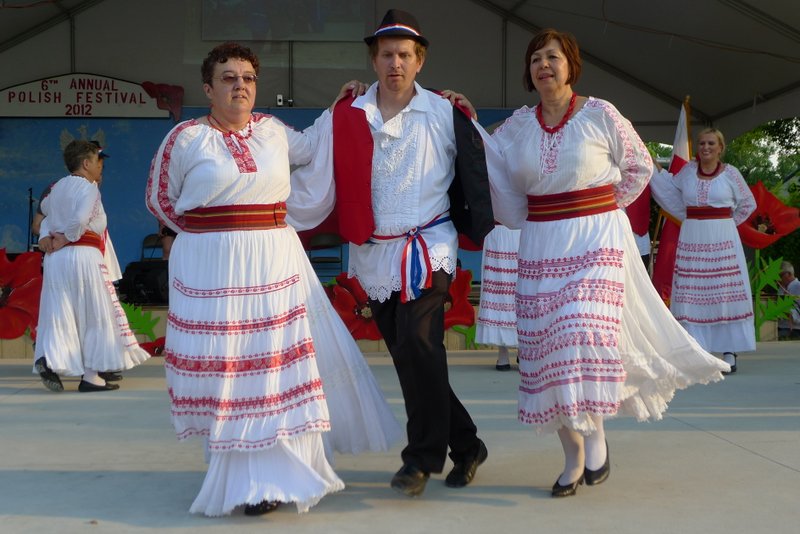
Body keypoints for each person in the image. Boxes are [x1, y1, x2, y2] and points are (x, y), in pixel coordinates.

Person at [458, 28, 729, 497]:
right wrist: (467, 118)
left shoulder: (601, 113)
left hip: (596, 240)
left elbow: (640, 167)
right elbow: (492, 163)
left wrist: (604, 210)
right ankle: (573, 455)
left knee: (582, 334)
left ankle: (596, 434)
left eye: (553, 57)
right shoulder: (518, 125)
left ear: (571, 66)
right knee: (546, 350)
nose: (544, 65)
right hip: (540, 242)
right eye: (536, 58)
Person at [145, 42, 402, 517]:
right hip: (211, 271)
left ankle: (276, 476)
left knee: (274, 367)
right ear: (208, 89)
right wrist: (208, 240)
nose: (240, 85)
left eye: (248, 78)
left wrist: (342, 104)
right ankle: (239, 471)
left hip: (273, 263)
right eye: (228, 77)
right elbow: (160, 199)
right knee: (227, 367)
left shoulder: (272, 130)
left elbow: (318, 143)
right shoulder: (185, 137)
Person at [287, 9, 493, 498]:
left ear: (420, 61)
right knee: (408, 357)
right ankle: (467, 446)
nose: (395, 63)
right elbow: (304, 151)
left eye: (404, 55)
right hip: (375, 255)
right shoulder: (350, 113)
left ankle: (420, 459)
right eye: (386, 55)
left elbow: (491, 161)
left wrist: (474, 119)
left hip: (428, 248)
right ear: (373, 60)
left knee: (421, 345)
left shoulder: (444, 112)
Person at [33, 140, 149, 392]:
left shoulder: (57, 188)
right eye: (98, 162)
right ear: (86, 164)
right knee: (93, 313)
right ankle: (91, 376)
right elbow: (79, 220)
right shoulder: (88, 189)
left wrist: (46, 237)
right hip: (82, 255)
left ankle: (51, 358)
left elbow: (46, 214)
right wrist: (66, 237)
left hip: (57, 259)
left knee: (61, 311)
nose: (100, 168)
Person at [651, 128, 757, 373]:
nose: (705, 147)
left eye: (711, 143)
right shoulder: (688, 171)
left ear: (720, 148)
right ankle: (697, 349)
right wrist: (654, 168)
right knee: (692, 290)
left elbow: (748, 203)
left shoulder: (731, 173)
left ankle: (729, 351)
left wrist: (727, 225)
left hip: (722, 239)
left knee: (724, 291)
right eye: (701, 143)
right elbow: (670, 188)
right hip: (693, 237)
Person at [475, 224, 520, 370]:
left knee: (519, 291)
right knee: (501, 291)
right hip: (500, 231)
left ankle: (519, 349)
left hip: (518, 231)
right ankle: (504, 351)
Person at [777, 261, 800, 339]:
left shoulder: (798, 286)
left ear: (789, 274)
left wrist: (790, 313)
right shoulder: (781, 288)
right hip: (780, 326)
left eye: (780, 275)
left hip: (795, 328)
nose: (778, 278)